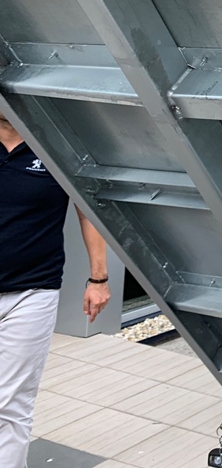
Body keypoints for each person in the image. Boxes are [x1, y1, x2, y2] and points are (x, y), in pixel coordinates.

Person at [0, 109, 111, 467]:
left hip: (32, 294)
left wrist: (99, 278)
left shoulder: (53, 145)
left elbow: (87, 210)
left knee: (11, 403)